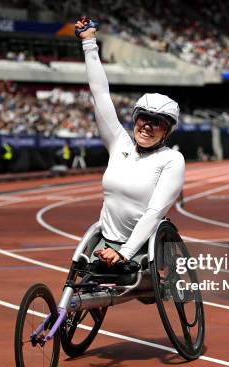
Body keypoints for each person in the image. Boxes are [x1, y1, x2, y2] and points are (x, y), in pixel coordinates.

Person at [75, 17, 185, 267]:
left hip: (142, 247)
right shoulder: (119, 143)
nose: (147, 125)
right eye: (143, 118)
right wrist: (89, 42)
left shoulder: (171, 159)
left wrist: (125, 252)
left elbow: (156, 212)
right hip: (105, 239)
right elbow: (100, 93)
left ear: (166, 131)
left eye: (156, 122)